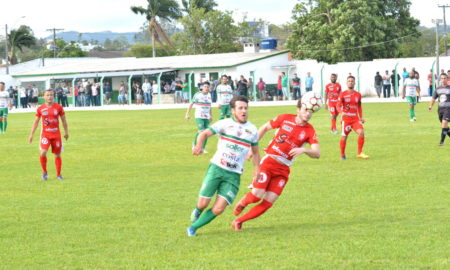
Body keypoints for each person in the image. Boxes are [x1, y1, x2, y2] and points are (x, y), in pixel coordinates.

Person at [231, 98, 320, 230]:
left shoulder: (310, 131)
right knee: (256, 196)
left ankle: (238, 221)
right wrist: (251, 148)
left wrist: (304, 150)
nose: (307, 114)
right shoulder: (284, 118)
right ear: (298, 109)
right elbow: (264, 128)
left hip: (283, 170)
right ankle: (244, 202)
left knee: (268, 202)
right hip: (269, 162)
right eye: (305, 110)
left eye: (310, 112)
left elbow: (317, 153)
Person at [186, 96, 260, 237]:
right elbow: (204, 134)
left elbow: (256, 153)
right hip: (217, 169)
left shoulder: (252, 130)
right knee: (202, 204)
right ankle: (198, 210)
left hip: (234, 175)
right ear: (233, 110)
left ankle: (193, 227)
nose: (244, 111)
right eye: (240, 108)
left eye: (246, 108)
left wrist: (257, 170)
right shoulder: (224, 124)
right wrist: (198, 147)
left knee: (219, 209)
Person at [28, 90, 69, 180]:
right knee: (43, 152)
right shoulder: (40, 108)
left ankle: (58, 174)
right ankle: (44, 173)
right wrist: (31, 134)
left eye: (51, 95)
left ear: (53, 96)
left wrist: (66, 132)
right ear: (44, 97)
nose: (49, 97)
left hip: (56, 135)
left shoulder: (58, 107)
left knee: (57, 154)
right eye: (47, 95)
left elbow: (64, 120)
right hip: (45, 135)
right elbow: (36, 122)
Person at [337, 76, 369, 160]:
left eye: (352, 81)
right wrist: (341, 111)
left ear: (355, 83)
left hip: (355, 120)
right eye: (349, 81)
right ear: (346, 83)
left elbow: (359, 106)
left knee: (361, 133)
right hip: (346, 120)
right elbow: (338, 105)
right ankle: (342, 154)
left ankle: (359, 153)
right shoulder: (343, 94)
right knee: (344, 137)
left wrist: (361, 117)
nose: (350, 82)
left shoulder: (358, 95)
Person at [185, 82, 212, 152]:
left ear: (209, 88)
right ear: (202, 87)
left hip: (206, 117)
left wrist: (211, 115)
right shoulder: (197, 95)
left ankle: (202, 148)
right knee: (201, 131)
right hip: (199, 116)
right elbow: (191, 104)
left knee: (206, 133)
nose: (206, 88)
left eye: (207, 87)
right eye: (205, 86)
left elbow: (209, 106)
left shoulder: (209, 95)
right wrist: (187, 114)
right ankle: (194, 145)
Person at [429, 73, 450, 146]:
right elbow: (433, 98)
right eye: (442, 78)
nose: (443, 80)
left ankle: (441, 142)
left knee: (444, 123)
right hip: (440, 109)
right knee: (444, 126)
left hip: (448, 109)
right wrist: (430, 106)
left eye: (445, 78)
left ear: (447, 79)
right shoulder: (438, 89)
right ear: (440, 79)